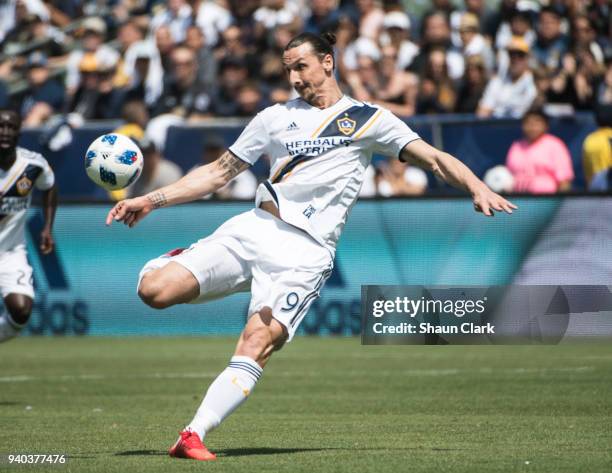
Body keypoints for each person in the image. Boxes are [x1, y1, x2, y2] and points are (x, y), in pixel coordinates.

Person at [105, 32, 516, 461]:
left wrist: (475, 186)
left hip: (306, 255)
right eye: (287, 69)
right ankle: (175, 259)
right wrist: (151, 199)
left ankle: (193, 434)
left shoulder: (368, 119)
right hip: (256, 227)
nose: (294, 77)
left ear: (327, 62)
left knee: (259, 341)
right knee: (154, 292)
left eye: (300, 66)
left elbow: (432, 157)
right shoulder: (273, 118)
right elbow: (217, 173)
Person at [0, 109, 57, 342]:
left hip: (10, 253)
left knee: (21, 310)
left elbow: (50, 186)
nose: (5, 132)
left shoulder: (33, 165)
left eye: (11, 127)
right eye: (0, 127)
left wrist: (47, 228)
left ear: (19, 131)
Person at [506, 109, 574, 194]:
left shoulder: (555, 145)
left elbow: (564, 181)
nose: (532, 126)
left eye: (537, 122)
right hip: (518, 201)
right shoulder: (516, 146)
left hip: (548, 202)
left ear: (546, 126)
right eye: (528, 123)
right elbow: (509, 176)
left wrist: (561, 203)